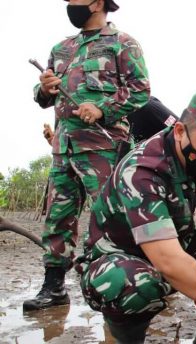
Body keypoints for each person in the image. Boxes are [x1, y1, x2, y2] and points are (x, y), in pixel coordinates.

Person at [75, 90, 196, 344]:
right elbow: (168, 260)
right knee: (135, 283)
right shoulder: (142, 171)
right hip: (119, 263)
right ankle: (124, 338)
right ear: (180, 131)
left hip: (176, 247)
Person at [24, 0, 151, 311]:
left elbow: (141, 91)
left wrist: (102, 109)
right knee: (58, 218)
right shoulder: (61, 48)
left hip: (102, 148)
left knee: (111, 218)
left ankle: (132, 282)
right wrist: (45, 88)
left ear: (97, 3)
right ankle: (53, 287)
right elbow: (42, 98)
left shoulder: (123, 44)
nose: (69, 4)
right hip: (64, 147)